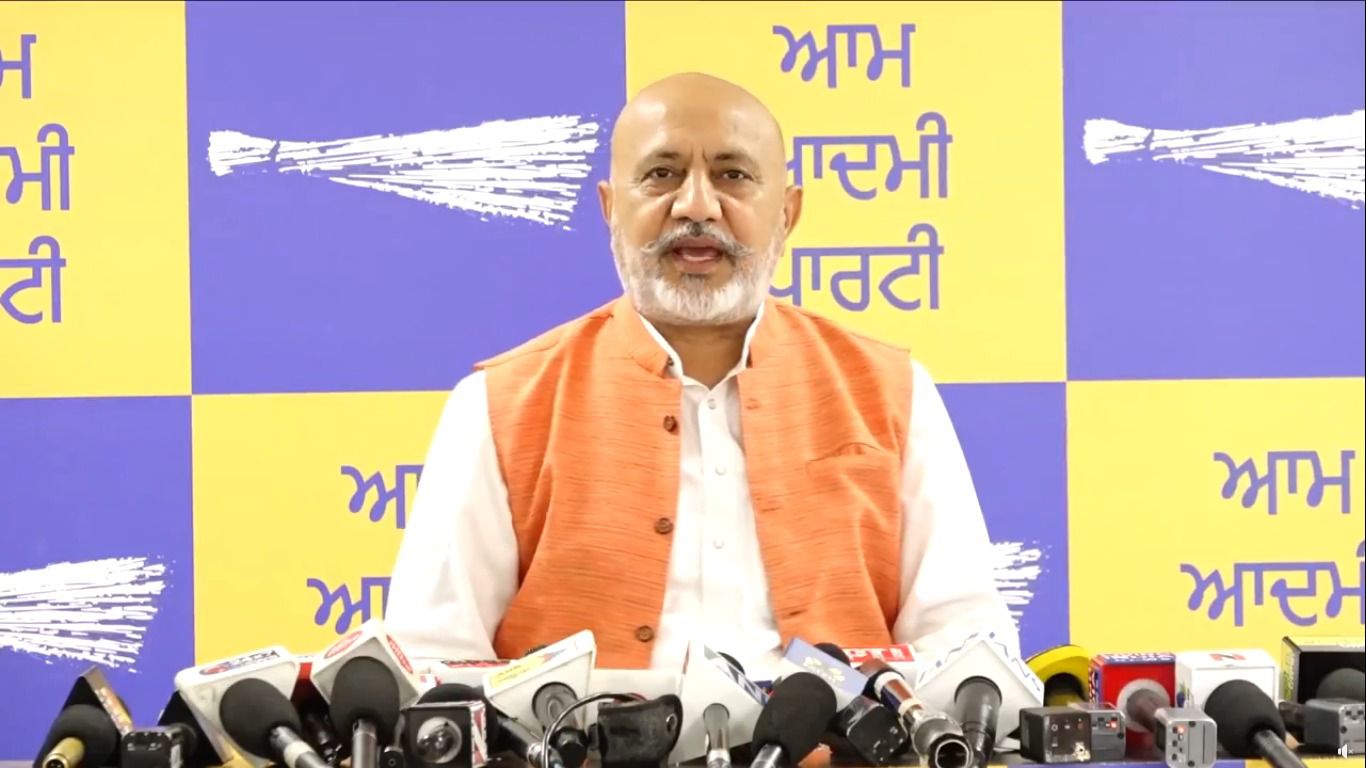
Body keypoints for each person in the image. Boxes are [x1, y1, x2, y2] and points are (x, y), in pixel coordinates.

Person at [384, 72, 1016, 680]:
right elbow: (436, 664)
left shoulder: (892, 392)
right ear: (610, 208)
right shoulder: (500, 406)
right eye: (661, 174)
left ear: (787, 213)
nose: (695, 205)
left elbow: (964, 646)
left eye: (732, 175)